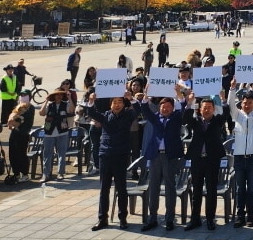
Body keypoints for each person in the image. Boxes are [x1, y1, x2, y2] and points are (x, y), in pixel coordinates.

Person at [87, 91, 139, 230]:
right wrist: (91, 100)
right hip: (105, 155)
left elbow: (138, 110)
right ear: (110, 105)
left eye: (120, 102)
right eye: (114, 102)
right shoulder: (105, 116)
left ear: (123, 104)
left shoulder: (128, 115)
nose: (117, 105)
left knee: (122, 188)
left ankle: (123, 218)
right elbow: (91, 113)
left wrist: (131, 98)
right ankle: (102, 218)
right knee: (104, 188)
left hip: (121, 155)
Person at [139, 90, 186, 231]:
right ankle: (152, 218)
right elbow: (144, 109)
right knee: (153, 187)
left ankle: (169, 219)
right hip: (155, 156)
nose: (165, 109)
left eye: (168, 107)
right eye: (162, 107)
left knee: (170, 188)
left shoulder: (176, 117)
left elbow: (183, 106)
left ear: (172, 108)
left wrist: (179, 93)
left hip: (170, 156)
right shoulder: (155, 118)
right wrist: (146, 95)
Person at [227, 84, 253, 227]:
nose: (247, 105)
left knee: (251, 188)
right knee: (240, 189)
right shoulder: (237, 115)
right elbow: (230, 104)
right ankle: (240, 216)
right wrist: (232, 89)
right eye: (244, 103)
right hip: (239, 158)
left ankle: (250, 216)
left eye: (250, 103)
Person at [183, 96, 227, 230]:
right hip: (197, 159)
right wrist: (190, 102)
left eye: (209, 107)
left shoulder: (218, 121)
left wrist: (224, 100)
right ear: (200, 109)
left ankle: (210, 219)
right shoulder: (195, 121)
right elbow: (185, 118)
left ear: (214, 109)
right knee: (196, 190)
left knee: (211, 190)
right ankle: (195, 219)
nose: (207, 110)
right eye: (204, 107)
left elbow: (226, 112)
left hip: (212, 160)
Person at [39, 87, 74, 181]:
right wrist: (45, 101)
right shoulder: (49, 105)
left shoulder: (65, 104)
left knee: (62, 153)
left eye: (61, 95)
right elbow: (41, 113)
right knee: (47, 154)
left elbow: (71, 110)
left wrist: (70, 98)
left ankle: (60, 173)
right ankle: (46, 174)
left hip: (62, 132)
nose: (59, 96)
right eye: (57, 95)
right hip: (49, 132)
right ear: (53, 96)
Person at [6, 90, 35, 181]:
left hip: (23, 133)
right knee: (12, 154)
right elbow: (11, 119)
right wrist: (13, 118)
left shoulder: (31, 108)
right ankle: (16, 174)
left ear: (29, 97)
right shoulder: (17, 106)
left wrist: (14, 118)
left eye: (25, 95)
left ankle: (25, 174)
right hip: (15, 133)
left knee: (21, 154)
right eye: (21, 95)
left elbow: (18, 121)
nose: (23, 96)